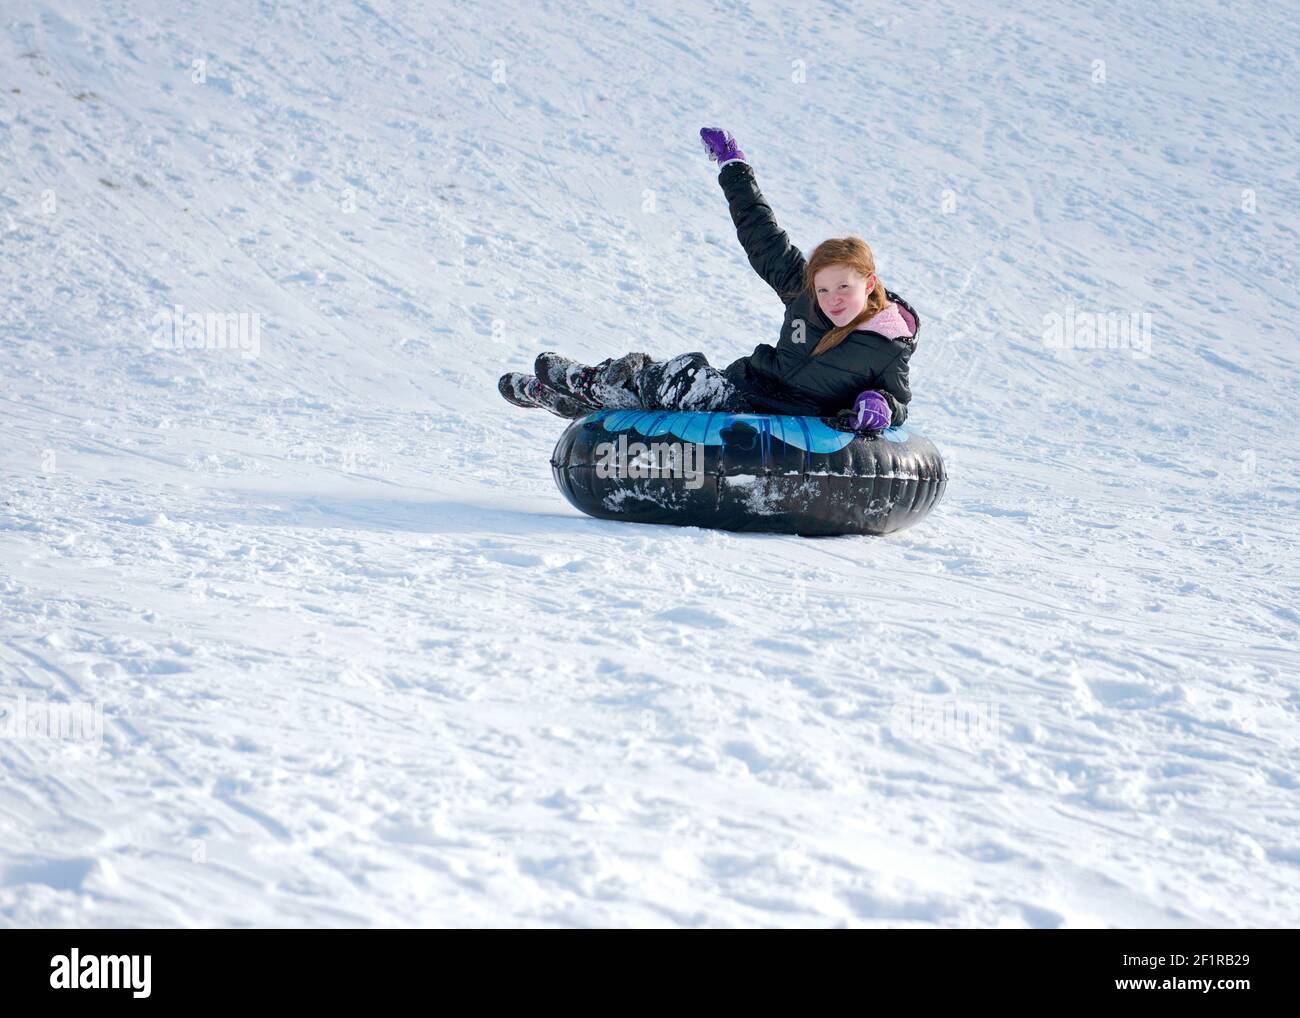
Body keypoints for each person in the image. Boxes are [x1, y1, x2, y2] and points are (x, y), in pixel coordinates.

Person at [499, 128, 918, 431]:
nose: (832, 299)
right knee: (682, 377)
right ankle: (582, 386)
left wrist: (879, 403)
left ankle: (584, 396)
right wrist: (733, 168)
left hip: (788, 425)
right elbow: (761, 235)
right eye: (824, 289)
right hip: (744, 391)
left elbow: (897, 401)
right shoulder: (801, 291)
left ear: (869, 283)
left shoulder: (888, 344)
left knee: (683, 390)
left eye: (844, 287)